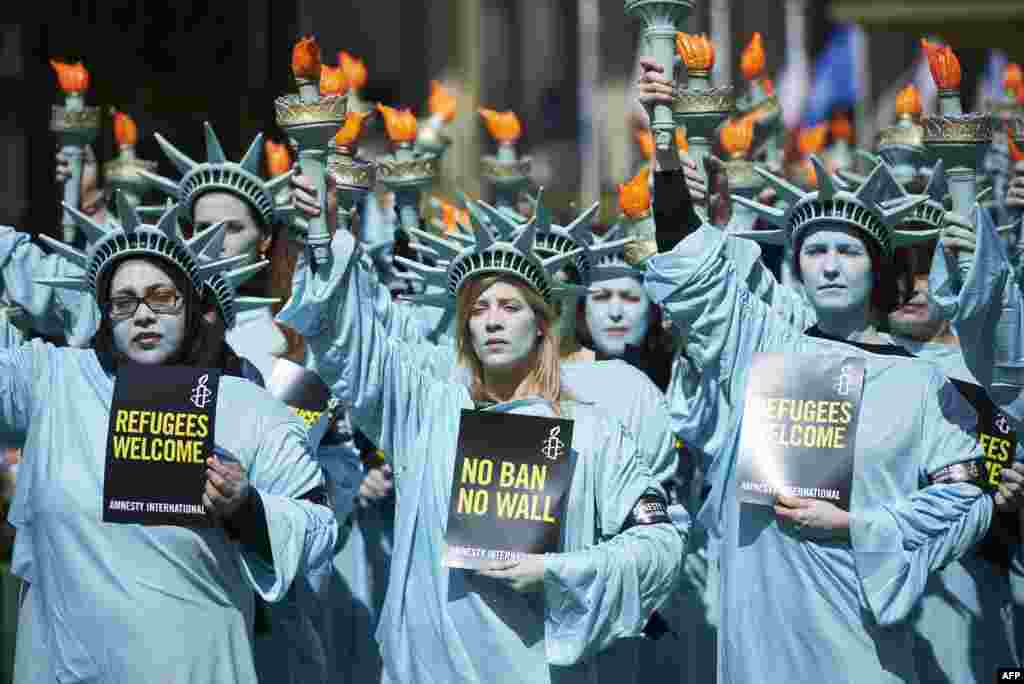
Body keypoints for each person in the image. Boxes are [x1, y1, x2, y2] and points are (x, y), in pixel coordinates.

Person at [278, 206, 686, 683]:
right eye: (478, 309)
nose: (492, 321)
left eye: (510, 307)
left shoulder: (593, 433)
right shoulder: (425, 412)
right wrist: (325, 232)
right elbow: (350, 345)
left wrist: (557, 570)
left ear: (541, 324)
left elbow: (661, 543)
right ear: (465, 330)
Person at [3, 200, 337, 683]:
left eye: (162, 297)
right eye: (124, 302)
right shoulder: (53, 380)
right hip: (70, 664)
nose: (142, 315)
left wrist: (247, 509)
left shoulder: (249, 406)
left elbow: (319, 529)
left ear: (193, 307)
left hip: (193, 663)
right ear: (103, 314)